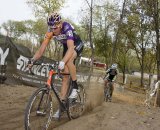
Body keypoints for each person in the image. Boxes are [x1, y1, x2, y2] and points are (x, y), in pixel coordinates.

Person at [28, 12, 83, 118]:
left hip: (76, 44)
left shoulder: (66, 27)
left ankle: (76, 87)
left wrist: (63, 61)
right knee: (65, 78)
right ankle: (62, 107)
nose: (54, 30)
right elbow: (41, 50)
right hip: (66, 47)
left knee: (68, 61)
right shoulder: (50, 31)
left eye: (55, 27)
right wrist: (33, 59)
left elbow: (71, 48)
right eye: (51, 27)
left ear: (60, 23)